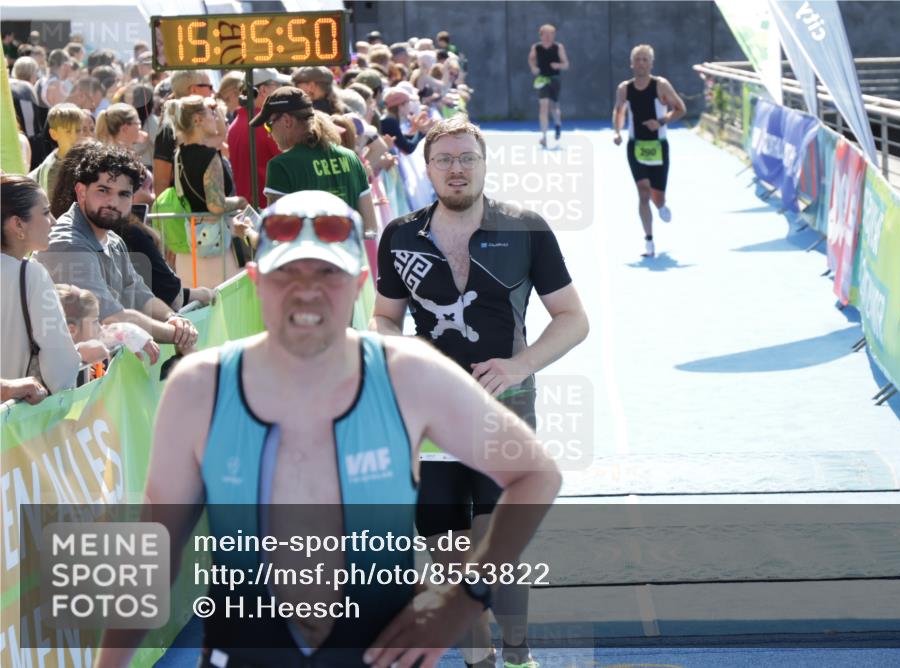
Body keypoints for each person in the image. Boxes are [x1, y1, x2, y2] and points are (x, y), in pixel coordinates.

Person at [95, 189, 562, 668]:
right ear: (256, 281)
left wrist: (465, 596)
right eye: (287, 273)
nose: (307, 290)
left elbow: (535, 474)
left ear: (359, 281)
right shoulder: (200, 388)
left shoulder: (410, 375)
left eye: (327, 272)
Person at [372, 115, 589, 667]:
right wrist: (401, 358)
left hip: (505, 410)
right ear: (428, 169)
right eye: (444, 160)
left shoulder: (526, 228)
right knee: (446, 555)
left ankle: (517, 656)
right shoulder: (400, 236)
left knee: (498, 551)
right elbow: (384, 318)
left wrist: (520, 366)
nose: (457, 169)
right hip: (430, 416)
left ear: (485, 163)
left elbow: (572, 318)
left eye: (467, 158)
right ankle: (480, 663)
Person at [35, 143, 200, 354]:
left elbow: (141, 295)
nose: (113, 202)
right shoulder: (67, 245)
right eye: (103, 190)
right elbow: (111, 317)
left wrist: (173, 319)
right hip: (67, 380)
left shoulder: (112, 239)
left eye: (124, 194)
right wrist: (178, 334)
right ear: (81, 191)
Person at [1, 175, 103, 393]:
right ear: (18, 223)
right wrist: (79, 354)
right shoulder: (33, 275)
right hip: (16, 423)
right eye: (46, 212)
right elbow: (61, 375)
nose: (55, 221)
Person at [253, 87, 378, 238]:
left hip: (308, 260)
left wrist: (247, 233)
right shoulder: (351, 157)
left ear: (287, 120)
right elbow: (371, 230)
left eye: (269, 124)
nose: (269, 133)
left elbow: (277, 236)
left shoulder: (281, 165)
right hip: (350, 259)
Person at [165, 95, 248, 287]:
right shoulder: (209, 156)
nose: (216, 117)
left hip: (192, 248)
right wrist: (240, 201)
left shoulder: (179, 154)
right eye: (211, 112)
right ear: (197, 120)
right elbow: (216, 205)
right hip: (219, 250)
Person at [612, 44, 686, 258]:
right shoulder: (624, 88)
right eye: (638, 59)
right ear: (631, 63)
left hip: (658, 147)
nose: (641, 63)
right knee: (643, 192)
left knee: (657, 197)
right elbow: (619, 111)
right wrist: (617, 132)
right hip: (635, 146)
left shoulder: (661, 85)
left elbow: (681, 109)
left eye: (645, 59)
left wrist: (661, 121)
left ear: (651, 63)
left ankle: (661, 205)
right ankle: (649, 241)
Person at [226, 68, 288, 207]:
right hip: (269, 208)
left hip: (248, 209)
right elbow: (289, 164)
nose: (281, 90)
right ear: (263, 90)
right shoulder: (268, 123)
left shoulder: (234, 125)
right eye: (277, 86)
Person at [152, 69, 215, 195]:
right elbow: (161, 182)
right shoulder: (169, 128)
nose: (213, 91)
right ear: (193, 90)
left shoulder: (210, 122)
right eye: (210, 86)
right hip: (184, 212)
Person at [29, 102, 89, 200]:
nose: (74, 137)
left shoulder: (89, 159)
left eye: (78, 130)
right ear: (54, 134)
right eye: (68, 131)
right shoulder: (51, 169)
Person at [528, 24, 569, 149]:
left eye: (551, 34)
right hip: (542, 80)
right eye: (545, 34)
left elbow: (566, 64)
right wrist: (534, 67)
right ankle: (544, 136)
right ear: (541, 35)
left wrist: (558, 65)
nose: (548, 37)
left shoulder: (558, 47)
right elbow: (531, 60)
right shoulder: (536, 47)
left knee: (554, 106)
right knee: (543, 107)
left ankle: (557, 124)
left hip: (554, 79)